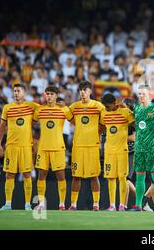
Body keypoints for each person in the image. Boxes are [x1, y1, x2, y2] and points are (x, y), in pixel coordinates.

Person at [0, 84, 39, 211]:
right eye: (14, 91)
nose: (16, 93)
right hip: (11, 146)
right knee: (9, 175)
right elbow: (2, 127)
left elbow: (45, 109)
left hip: (26, 146)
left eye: (18, 91)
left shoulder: (31, 106)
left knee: (27, 174)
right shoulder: (7, 108)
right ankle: (8, 204)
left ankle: (27, 205)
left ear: (24, 93)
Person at [33, 85, 73, 211]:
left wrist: (65, 106)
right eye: (47, 94)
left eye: (51, 94)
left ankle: (61, 203)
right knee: (41, 175)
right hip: (43, 147)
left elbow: (75, 121)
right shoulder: (39, 110)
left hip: (58, 147)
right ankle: (41, 203)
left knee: (60, 175)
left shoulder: (63, 110)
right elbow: (31, 122)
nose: (49, 96)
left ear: (56, 95)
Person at [68, 81, 106, 211]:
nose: (82, 92)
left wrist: (96, 132)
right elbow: (71, 120)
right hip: (78, 145)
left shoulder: (98, 106)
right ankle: (73, 204)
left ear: (90, 91)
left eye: (85, 90)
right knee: (76, 176)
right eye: (80, 90)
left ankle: (96, 204)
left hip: (92, 146)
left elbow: (104, 124)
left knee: (93, 176)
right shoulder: (74, 107)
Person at [130, 85, 154, 212]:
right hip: (139, 148)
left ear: (149, 94)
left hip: (152, 148)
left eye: (143, 93)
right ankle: (138, 205)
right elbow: (137, 124)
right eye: (139, 94)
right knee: (139, 176)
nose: (141, 96)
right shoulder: (137, 108)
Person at [100, 92, 134, 211]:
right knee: (110, 178)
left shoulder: (125, 112)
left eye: (108, 106)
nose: (106, 109)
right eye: (105, 106)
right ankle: (112, 205)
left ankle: (121, 205)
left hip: (122, 150)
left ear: (114, 103)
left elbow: (136, 124)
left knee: (122, 178)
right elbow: (102, 127)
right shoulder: (104, 113)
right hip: (109, 150)